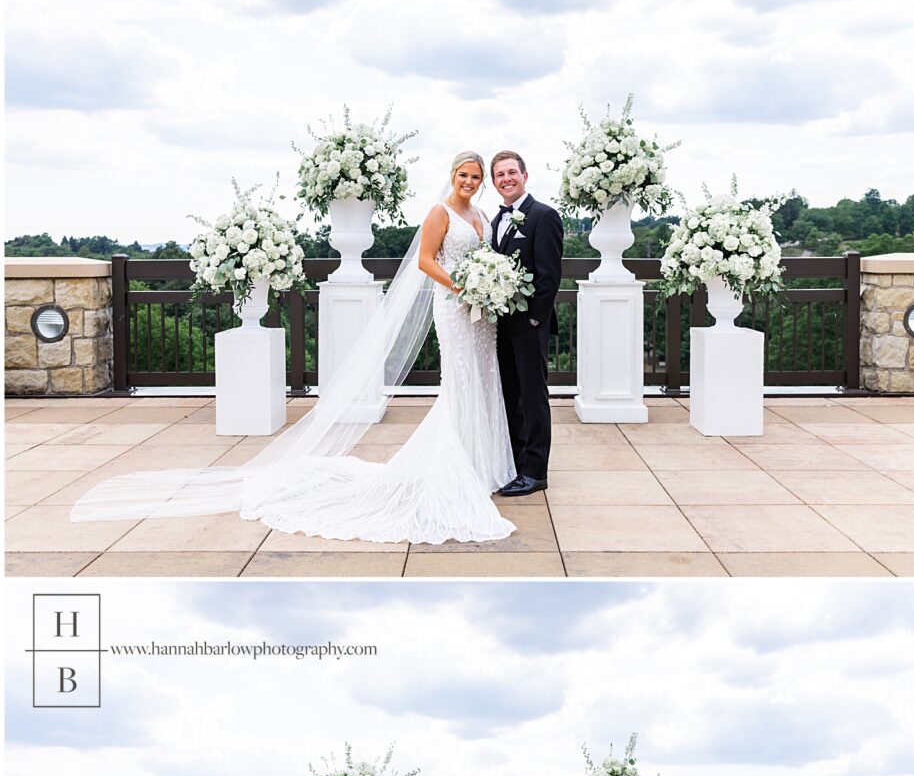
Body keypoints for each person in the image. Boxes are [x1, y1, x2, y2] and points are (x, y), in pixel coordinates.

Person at [71, 155, 520, 548]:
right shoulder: (439, 212)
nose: (470, 181)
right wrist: (461, 285)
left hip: (479, 315)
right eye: (465, 174)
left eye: (476, 176)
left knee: (483, 381)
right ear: (452, 175)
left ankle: (484, 464)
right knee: (458, 383)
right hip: (453, 305)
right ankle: (456, 468)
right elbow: (425, 260)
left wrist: (484, 287)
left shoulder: (481, 214)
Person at [490, 150, 564, 495]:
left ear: (525, 175)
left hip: (529, 325)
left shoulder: (544, 216)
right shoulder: (496, 220)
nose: (506, 179)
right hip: (502, 324)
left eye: (511, 173)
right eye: (499, 175)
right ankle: (518, 465)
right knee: (512, 395)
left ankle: (536, 472)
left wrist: (535, 318)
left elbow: (550, 276)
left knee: (533, 398)